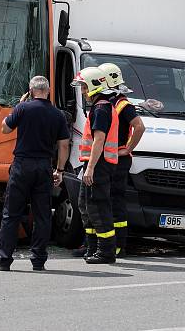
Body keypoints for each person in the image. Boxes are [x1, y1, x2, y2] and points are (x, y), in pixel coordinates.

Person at [0, 76, 70, 272]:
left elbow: (4, 128)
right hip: (44, 167)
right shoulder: (57, 114)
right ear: (48, 90)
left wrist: (17, 107)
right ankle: (38, 260)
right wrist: (59, 170)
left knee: (11, 213)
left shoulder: (23, 108)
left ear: (30, 90)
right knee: (42, 215)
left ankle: (4, 260)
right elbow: (63, 145)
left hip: (22, 166)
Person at [72, 66, 119, 264]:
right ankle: (93, 247)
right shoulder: (101, 107)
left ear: (92, 86)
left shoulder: (101, 109)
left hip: (98, 166)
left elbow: (99, 141)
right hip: (94, 165)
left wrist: (90, 168)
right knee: (86, 206)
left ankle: (106, 252)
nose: (82, 92)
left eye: (83, 87)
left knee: (98, 208)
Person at [99, 62, 146, 257]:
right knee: (104, 201)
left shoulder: (123, 104)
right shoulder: (109, 102)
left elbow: (139, 126)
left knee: (115, 201)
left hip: (118, 160)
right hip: (110, 159)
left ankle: (118, 244)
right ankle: (105, 243)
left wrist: (127, 149)